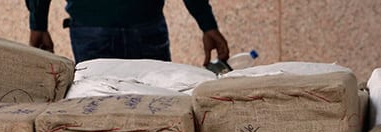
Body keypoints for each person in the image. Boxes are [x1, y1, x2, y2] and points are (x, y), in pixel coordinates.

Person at [26, 0, 230, 66]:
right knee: (157, 111)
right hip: (145, 24)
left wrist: (38, 23)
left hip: (91, 28)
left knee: (99, 114)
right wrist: (207, 24)